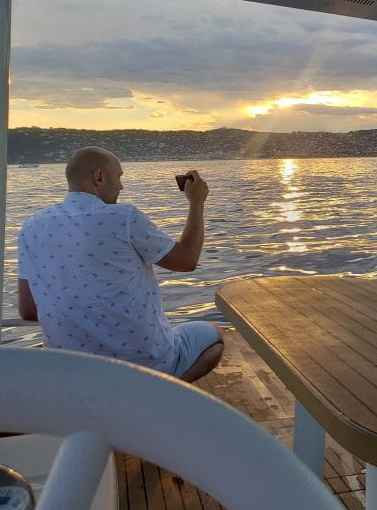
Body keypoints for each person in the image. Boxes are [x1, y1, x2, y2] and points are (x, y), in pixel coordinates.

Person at [17, 146, 223, 383]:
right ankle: (156, 388)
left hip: (71, 369)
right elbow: (186, 261)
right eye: (119, 177)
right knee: (215, 336)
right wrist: (196, 203)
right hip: (142, 362)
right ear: (99, 177)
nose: (121, 187)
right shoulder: (123, 217)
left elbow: (28, 310)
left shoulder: (30, 228)